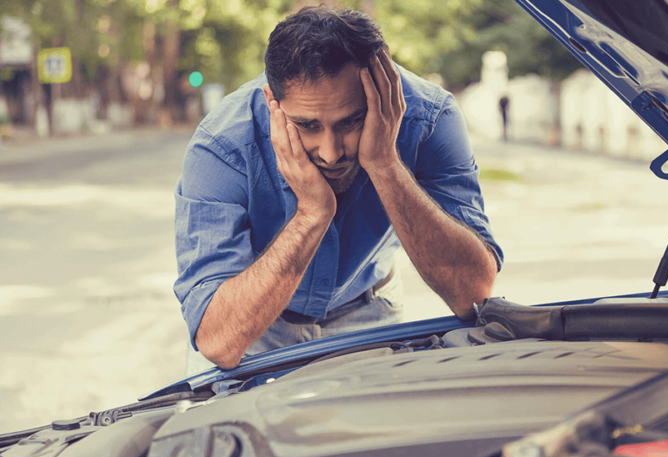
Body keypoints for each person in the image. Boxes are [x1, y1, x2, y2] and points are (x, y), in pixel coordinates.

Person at [174, 5, 503, 374]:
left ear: (382, 89)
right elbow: (219, 341)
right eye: (308, 125)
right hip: (257, 325)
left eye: (351, 121)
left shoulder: (428, 118)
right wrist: (312, 215)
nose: (331, 153)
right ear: (274, 102)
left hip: (370, 311)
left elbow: (474, 295)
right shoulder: (222, 144)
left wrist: (386, 165)